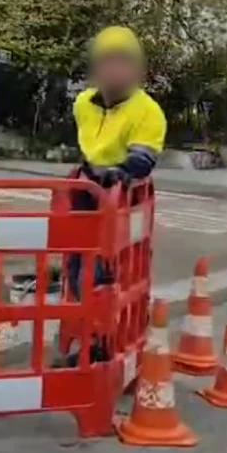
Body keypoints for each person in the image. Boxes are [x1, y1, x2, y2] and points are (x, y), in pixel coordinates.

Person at [59, 25, 167, 362]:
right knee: (78, 272)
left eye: (124, 62)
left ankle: (106, 345)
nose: (115, 70)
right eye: (108, 62)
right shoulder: (82, 104)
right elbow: (88, 145)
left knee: (110, 277)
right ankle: (93, 339)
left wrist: (121, 173)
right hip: (87, 194)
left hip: (121, 200)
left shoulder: (148, 111)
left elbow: (143, 158)